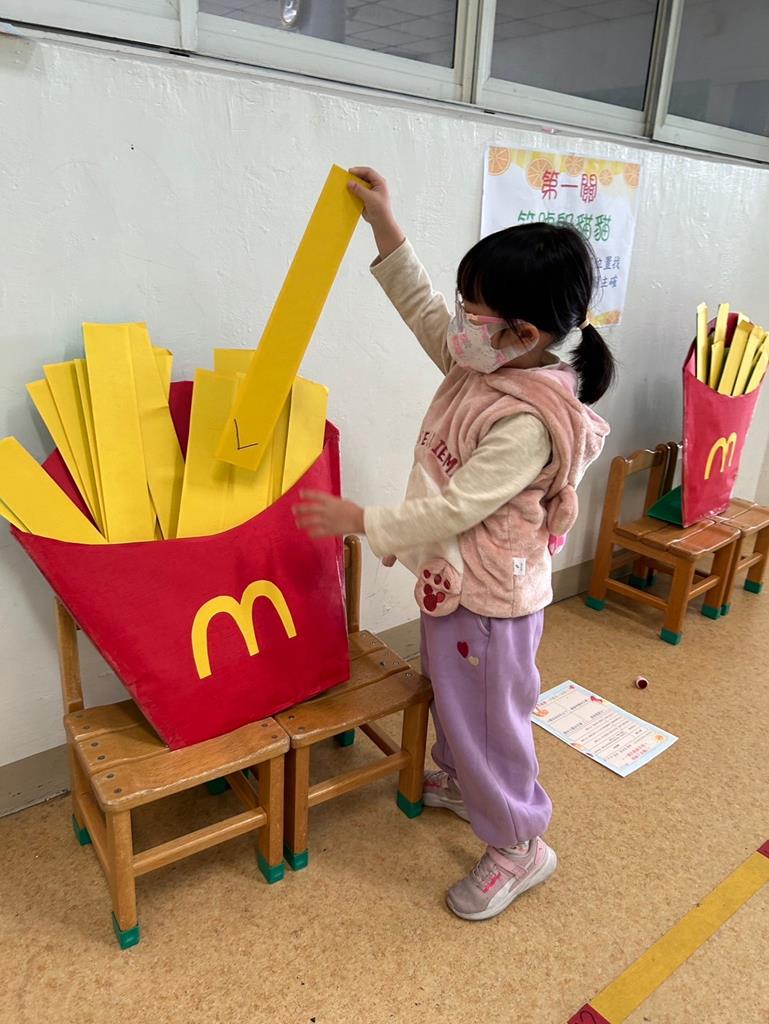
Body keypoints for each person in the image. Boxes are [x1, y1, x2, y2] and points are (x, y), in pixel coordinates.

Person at [294, 166, 613, 921]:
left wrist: (363, 520)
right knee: (456, 699)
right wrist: (384, 225)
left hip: (493, 603)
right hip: (457, 585)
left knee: (492, 724)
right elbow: (422, 310)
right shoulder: (484, 360)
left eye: (474, 311)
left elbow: (455, 507)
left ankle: (518, 843)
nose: (459, 323)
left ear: (523, 334)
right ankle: (465, 781)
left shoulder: (527, 421)